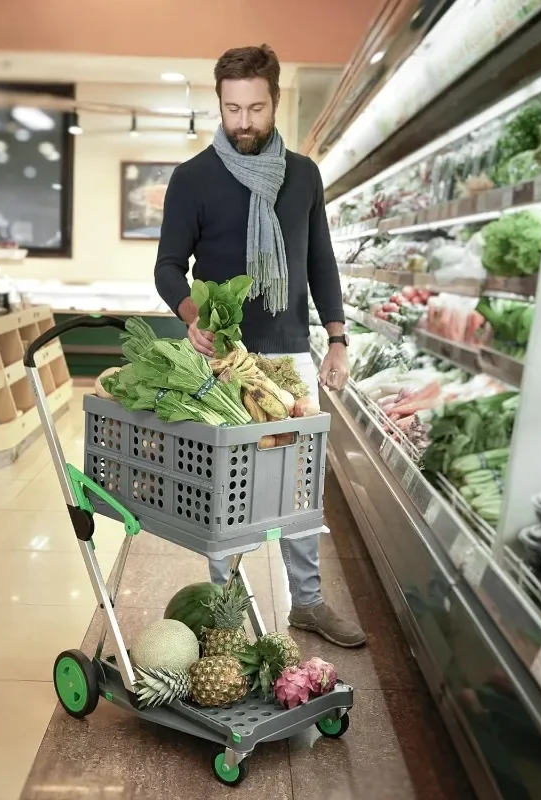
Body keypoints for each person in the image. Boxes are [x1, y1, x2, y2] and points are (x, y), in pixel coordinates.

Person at [154, 43, 366, 648]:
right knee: (230, 486)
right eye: (232, 108)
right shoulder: (193, 178)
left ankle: (309, 602)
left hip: (291, 351)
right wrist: (192, 314)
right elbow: (169, 267)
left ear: (275, 100)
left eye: (255, 108)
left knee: (301, 482)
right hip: (222, 358)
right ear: (218, 104)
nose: (243, 122)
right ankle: (223, 607)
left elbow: (319, 259)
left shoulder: (302, 175)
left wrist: (338, 337)